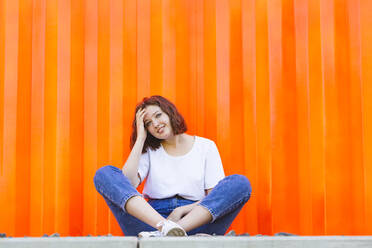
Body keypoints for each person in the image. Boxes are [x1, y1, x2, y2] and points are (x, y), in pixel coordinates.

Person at [93, 95, 252, 237]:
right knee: (104, 174)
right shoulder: (150, 150)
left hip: (196, 221)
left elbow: (214, 198)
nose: (155, 124)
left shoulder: (206, 147)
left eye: (158, 115)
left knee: (240, 183)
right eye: (148, 123)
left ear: (170, 112)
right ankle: (164, 229)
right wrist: (140, 138)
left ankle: (169, 232)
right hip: (151, 222)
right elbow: (126, 184)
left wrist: (181, 211)